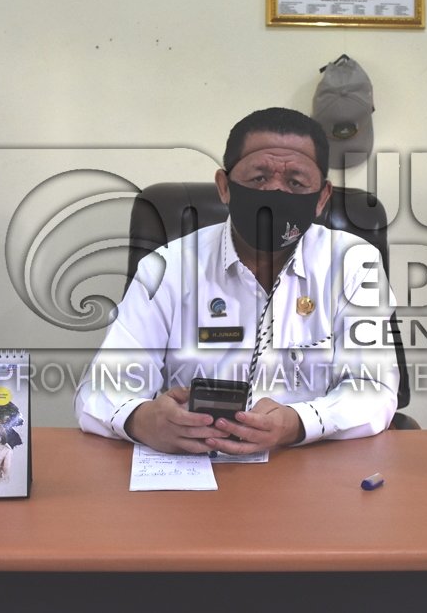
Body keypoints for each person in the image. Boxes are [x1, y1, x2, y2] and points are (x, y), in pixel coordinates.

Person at [74, 107, 399, 455]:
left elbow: (374, 388)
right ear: (225, 187)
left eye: (295, 182)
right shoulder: (167, 267)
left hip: (305, 462)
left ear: (321, 198)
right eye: (259, 178)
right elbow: (102, 388)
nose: (275, 191)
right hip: (194, 464)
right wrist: (143, 420)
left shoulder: (353, 263)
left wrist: (296, 423)